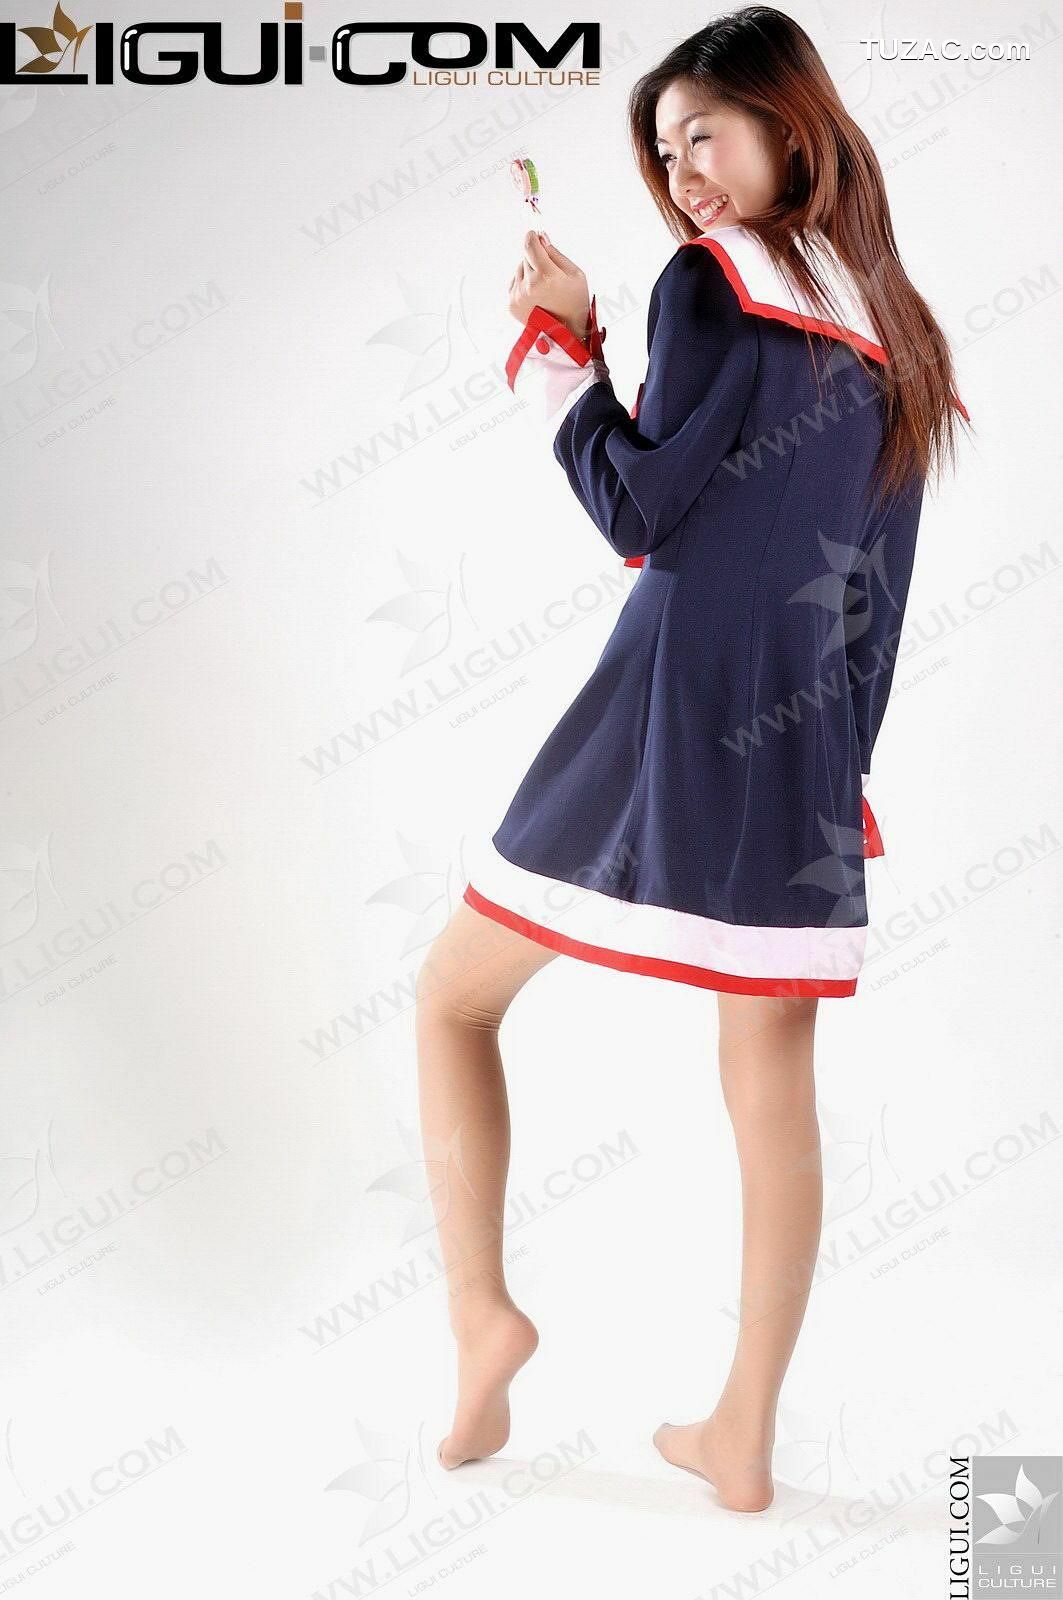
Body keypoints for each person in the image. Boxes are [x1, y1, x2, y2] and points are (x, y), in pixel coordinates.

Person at [415, 4, 970, 1512]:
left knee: (452, 999)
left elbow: (639, 513)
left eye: (703, 136)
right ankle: (744, 1437)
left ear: (793, 124)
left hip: (665, 704)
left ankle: (482, 1316)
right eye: (664, 155)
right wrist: (839, 773)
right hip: (800, 737)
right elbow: (876, 597)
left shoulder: (710, 282)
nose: (685, 176)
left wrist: (555, 352)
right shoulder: (893, 326)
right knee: (771, 1083)